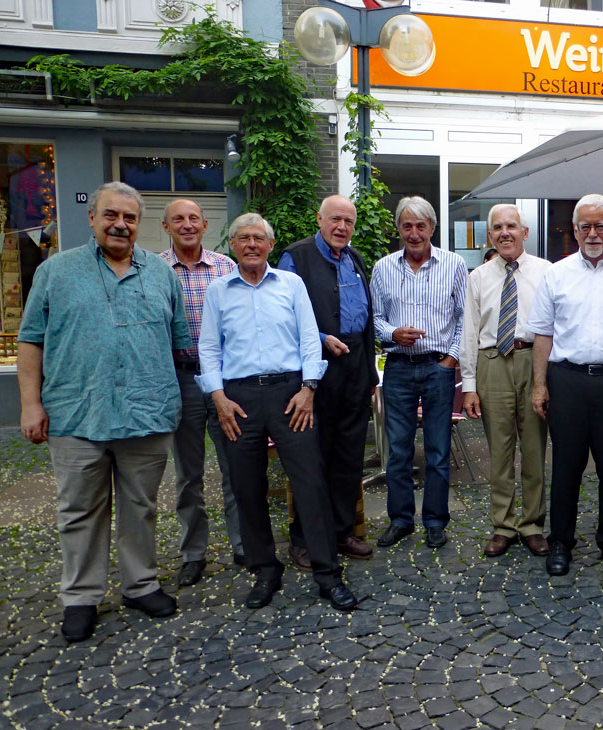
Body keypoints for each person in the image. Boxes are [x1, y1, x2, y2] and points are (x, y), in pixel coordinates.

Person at [18, 181, 190, 642]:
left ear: (139, 224)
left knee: (141, 507)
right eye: (111, 215)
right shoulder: (56, 272)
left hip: (147, 413)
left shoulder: (161, 273)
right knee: (79, 510)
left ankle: (140, 584)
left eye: (129, 217)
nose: (120, 224)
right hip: (77, 412)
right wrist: (31, 404)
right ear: (92, 218)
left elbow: (179, 342)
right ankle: (81, 596)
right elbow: (30, 340)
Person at [198, 213, 357, 612]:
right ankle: (265, 571)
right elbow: (209, 348)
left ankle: (328, 574)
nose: (251, 245)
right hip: (239, 399)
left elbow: (309, 338)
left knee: (310, 483)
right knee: (246, 487)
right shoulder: (218, 291)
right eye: (243, 238)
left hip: (291, 394)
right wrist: (218, 397)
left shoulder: (290, 284)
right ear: (232, 245)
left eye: (259, 238)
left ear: (270, 245)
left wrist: (309, 388)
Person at [527, 194, 603, 577]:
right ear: (575, 230)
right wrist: (539, 385)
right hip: (568, 380)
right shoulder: (556, 274)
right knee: (566, 464)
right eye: (586, 227)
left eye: (601, 226)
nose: (593, 233)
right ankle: (561, 541)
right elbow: (543, 334)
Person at [279, 195, 378, 566]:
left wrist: (369, 374)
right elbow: (282, 315)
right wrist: (321, 338)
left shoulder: (355, 259)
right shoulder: (296, 257)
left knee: (349, 455)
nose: (342, 227)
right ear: (319, 219)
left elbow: (366, 320)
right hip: (315, 370)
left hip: (355, 367)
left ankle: (341, 532)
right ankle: (304, 538)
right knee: (313, 456)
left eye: (348, 221)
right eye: (335, 219)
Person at [369, 196, 468, 550]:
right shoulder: (383, 268)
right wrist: (393, 333)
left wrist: (451, 360)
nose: (414, 233)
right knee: (398, 451)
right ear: (398, 229)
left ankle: (435, 521)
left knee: (438, 450)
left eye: (420, 226)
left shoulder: (454, 265)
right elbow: (374, 319)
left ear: (432, 228)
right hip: (398, 368)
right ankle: (400, 519)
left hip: (438, 367)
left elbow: (464, 317)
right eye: (407, 226)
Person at [159, 198, 243, 585]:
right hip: (182, 379)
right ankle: (193, 553)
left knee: (234, 466)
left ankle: (243, 543)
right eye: (178, 219)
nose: (187, 224)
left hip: (225, 381)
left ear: (205, 225)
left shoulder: (227, 267)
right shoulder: (155, 270)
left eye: (194, 218)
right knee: (188, 473)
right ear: (166, 227)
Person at [461, 204, 551, 558]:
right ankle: (503, 525)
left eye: (511, 226)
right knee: (498, 452)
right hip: (492, 363)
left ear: (524, 232)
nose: (504, 233)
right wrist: (469, 386)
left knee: (534, 449)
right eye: (497, 227)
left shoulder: (546, 272)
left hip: (533, 362)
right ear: (490, 235)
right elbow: (469, 332)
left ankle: (532, 524)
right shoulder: (478, 277)